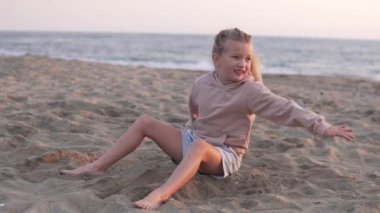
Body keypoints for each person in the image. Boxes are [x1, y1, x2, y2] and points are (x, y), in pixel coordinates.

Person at [59, 28, 354, 209]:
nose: (243, 63)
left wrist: (322, 125)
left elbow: (288, 108)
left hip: (222, 156)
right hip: (194, 141)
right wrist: (194, 121)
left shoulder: (251, 90)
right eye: (236, 57)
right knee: (145, 121)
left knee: (199, 147)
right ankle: (97, 167)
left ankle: (161, 194)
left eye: (247, 58)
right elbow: (194, 105)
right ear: (217, 59)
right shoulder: (201, 82)